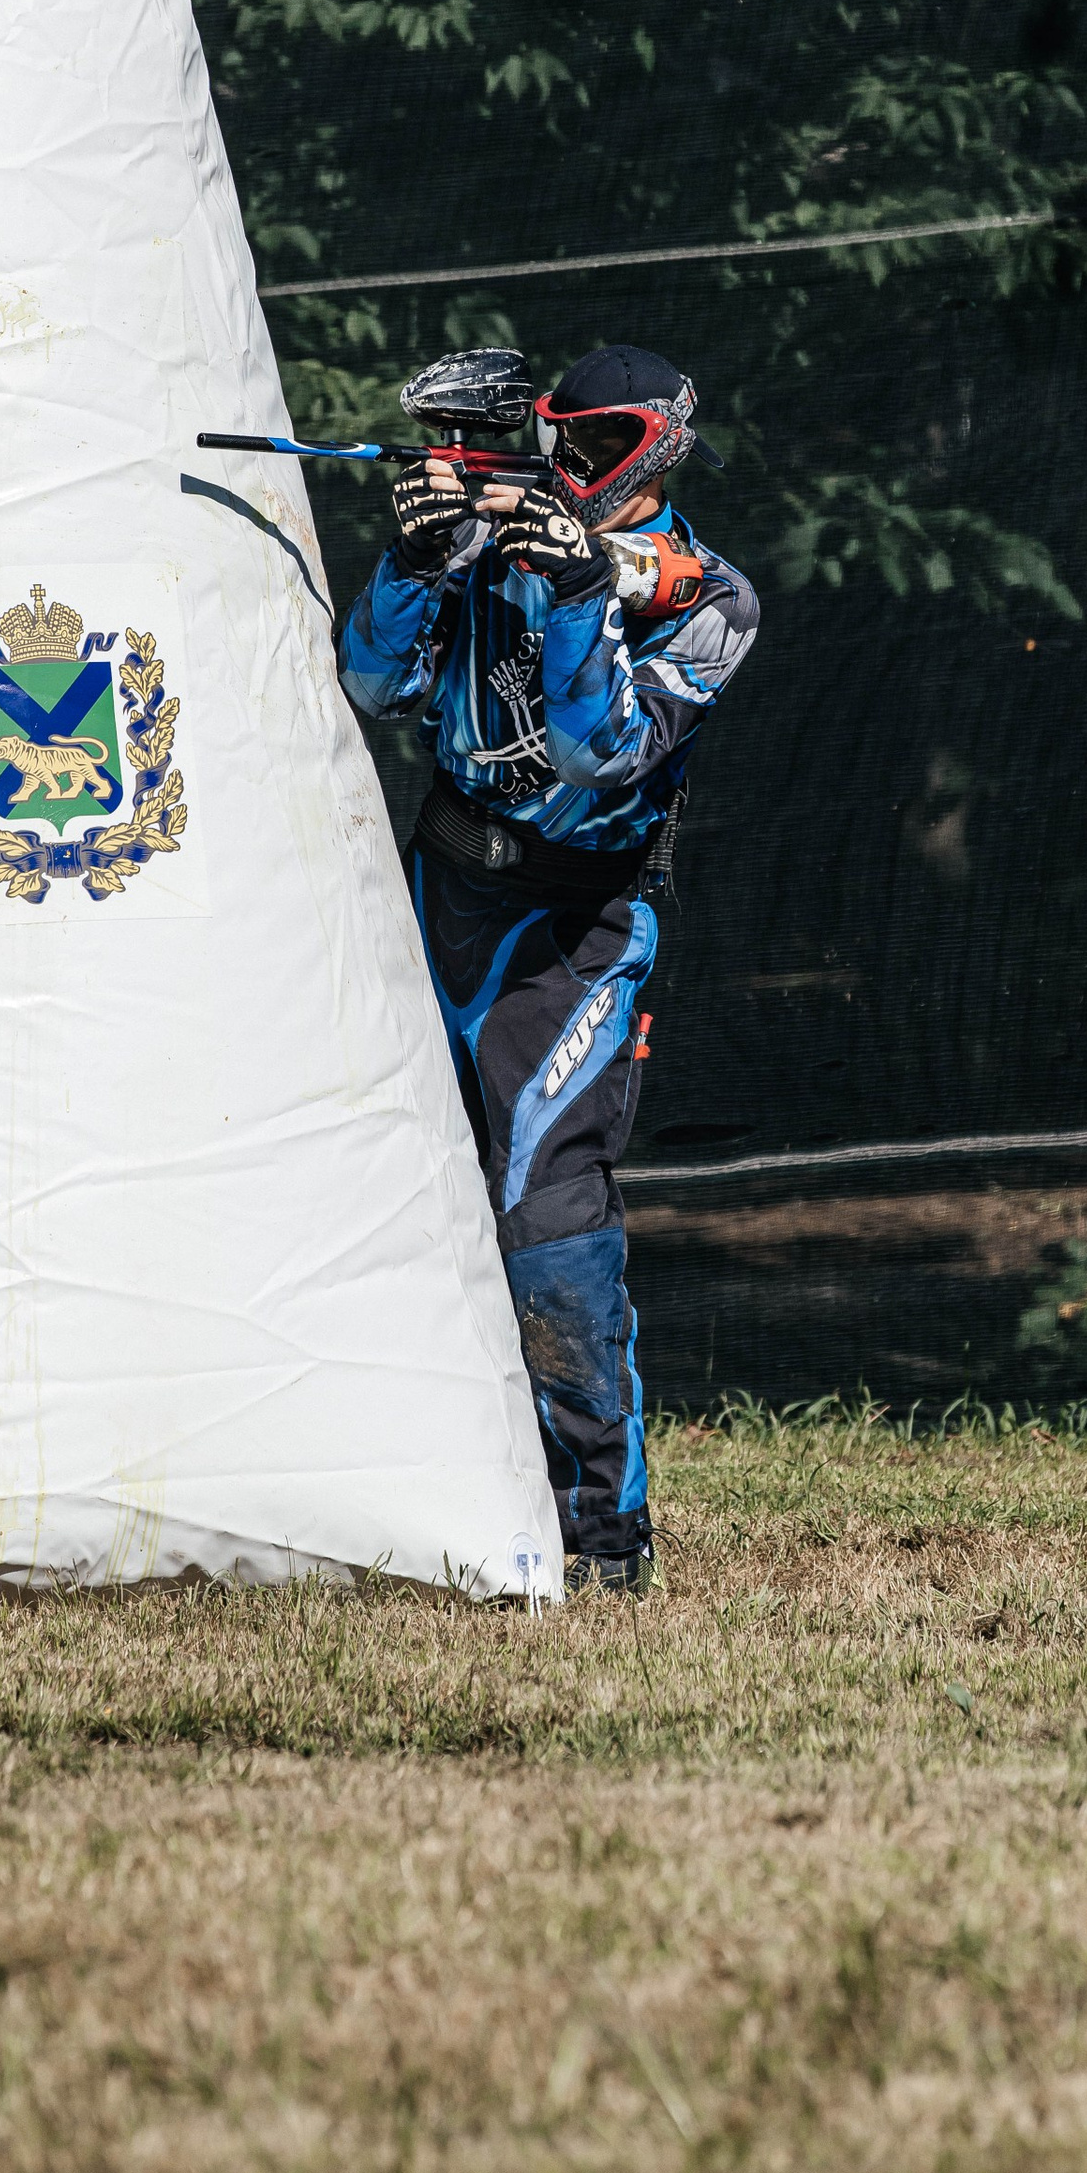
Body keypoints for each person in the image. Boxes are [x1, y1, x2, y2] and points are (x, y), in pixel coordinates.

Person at [338, 344, 758, 1588]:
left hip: (574, 936)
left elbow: (600, 757)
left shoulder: (711, 601)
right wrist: (416, 561)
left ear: (651, 453)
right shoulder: (490, 533)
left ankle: (597, 1536)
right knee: (377, 1187)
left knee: (547, 1211)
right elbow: (371, 678)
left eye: (588, 450)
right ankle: (394, 1486)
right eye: (552, 444)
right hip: (433, 894)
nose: (561, 470)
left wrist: (574, 593)